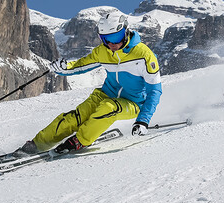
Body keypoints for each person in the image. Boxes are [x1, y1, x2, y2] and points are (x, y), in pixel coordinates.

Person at [17, 11, 162, 155]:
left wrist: (142, 121)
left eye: (115, 37)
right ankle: (37, 145)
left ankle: (80, 141)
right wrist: (63, 68)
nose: (111, 44)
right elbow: (81, 65)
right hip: (106, 94)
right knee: (73, 118)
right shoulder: (103, 51)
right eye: (106, 39)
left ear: (125, 32)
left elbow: (154, 91)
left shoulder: (144, 56)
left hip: (134, 103)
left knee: (108, 108)